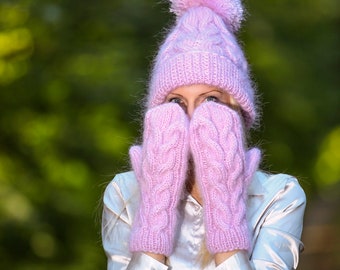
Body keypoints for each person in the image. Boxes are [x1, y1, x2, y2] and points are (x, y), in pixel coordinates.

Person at [101, 0, 306, 269]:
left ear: (238, 111)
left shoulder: (279, 195)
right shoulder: (125, 192)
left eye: (210, 100)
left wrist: (226, 211)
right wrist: (154, 219)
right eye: (176, 103)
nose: (192, 119)